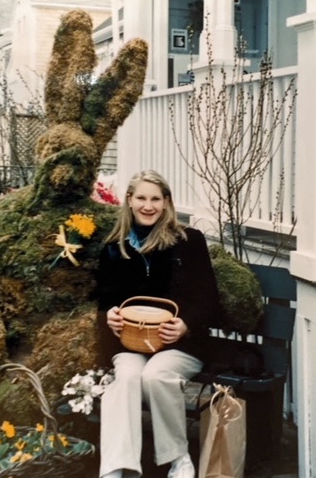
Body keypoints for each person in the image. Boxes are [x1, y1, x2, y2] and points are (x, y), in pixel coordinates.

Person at [96, 170, 220, 478]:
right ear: (129, 200)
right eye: (141, 198)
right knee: (125, 378)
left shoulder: (189, 241)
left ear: (166, 202)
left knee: (156, 375)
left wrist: (185, 325)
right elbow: (104, 301)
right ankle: (117, 467)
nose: (148, 206)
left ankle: (177, 459)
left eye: (155, 199)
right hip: (130, 343)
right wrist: (109, 314)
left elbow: (208, 300)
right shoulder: (115, 247)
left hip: (179, 344)